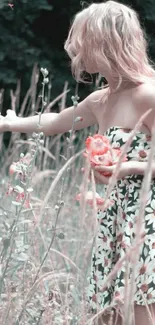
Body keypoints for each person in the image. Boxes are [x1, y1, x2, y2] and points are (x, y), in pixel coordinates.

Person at [1, 1, 155, 324]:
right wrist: (10, 123)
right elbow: (56, 120)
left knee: (141, 312)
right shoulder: (102, 99)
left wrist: (126, 169)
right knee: (104, 312)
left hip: (144, 222)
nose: (78, 52)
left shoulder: (147, 95)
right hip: (110, 222)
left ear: (108, 44)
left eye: (86, 43)